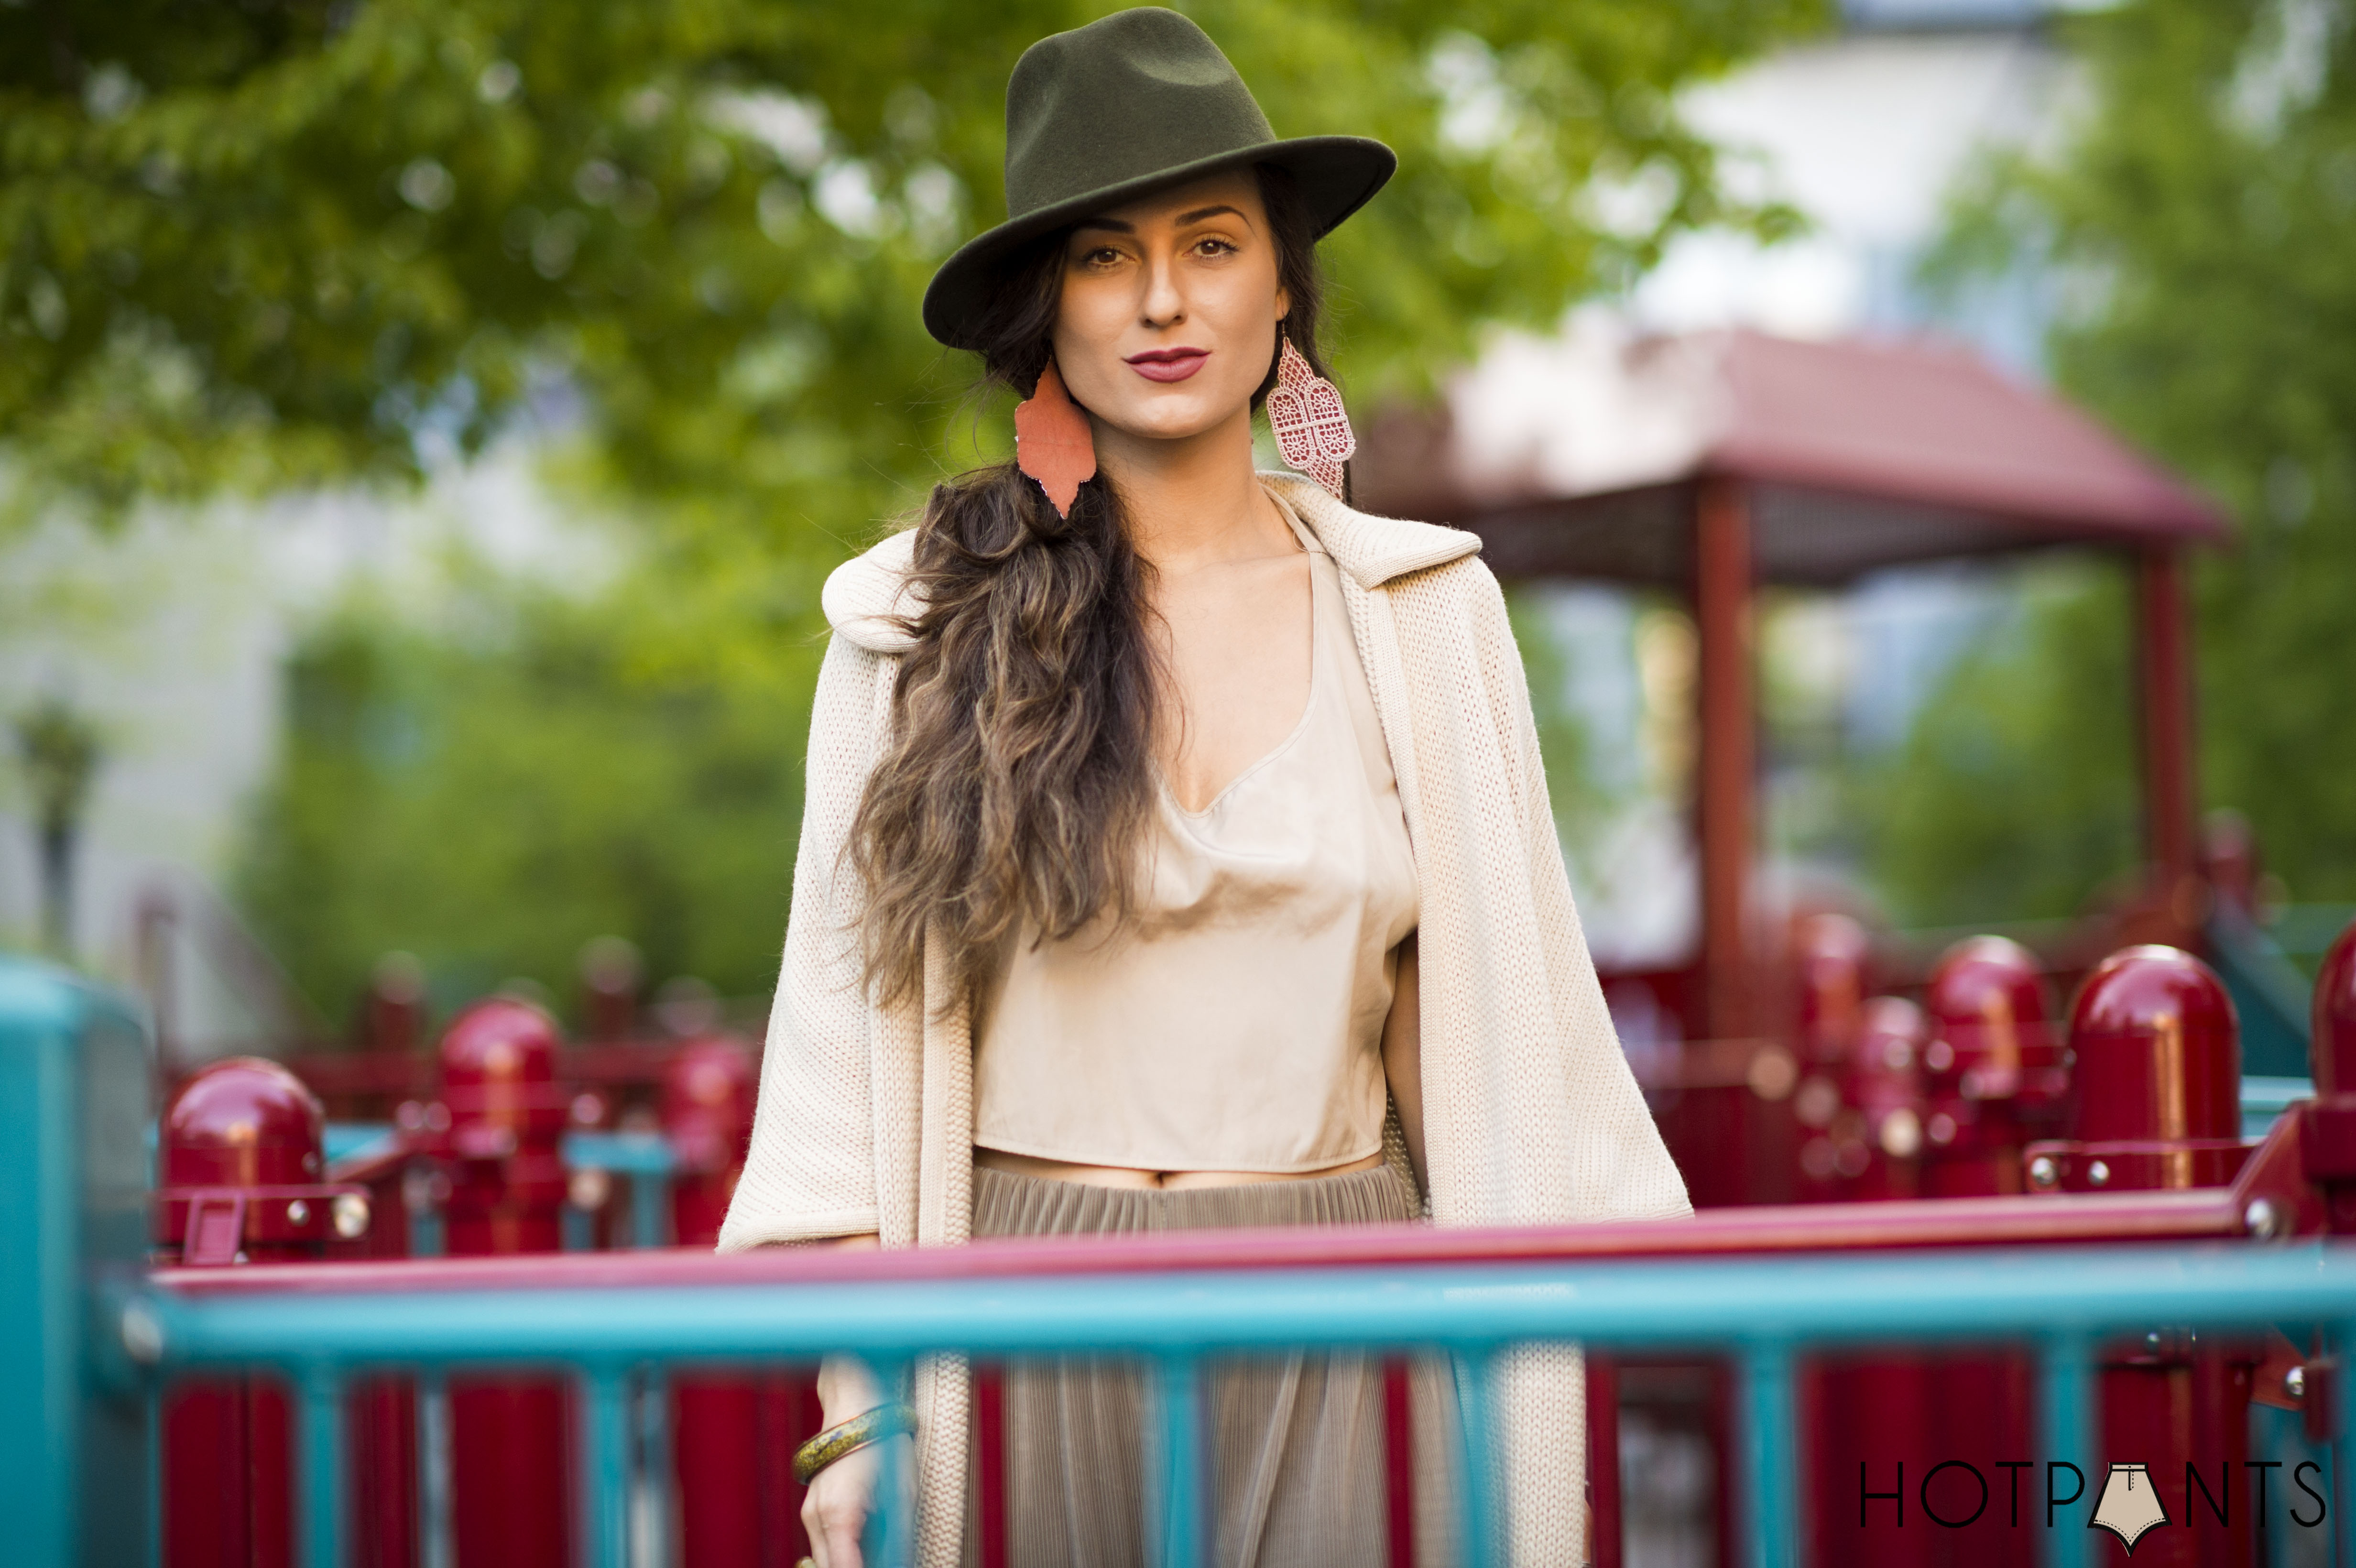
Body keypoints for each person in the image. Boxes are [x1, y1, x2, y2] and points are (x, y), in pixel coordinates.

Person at [717, 10, 1690, 1567]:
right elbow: (838, 1060)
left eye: (1214, 242)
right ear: (1047, 311)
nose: (1164, 300)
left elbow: (1494, 1048)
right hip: (1011, 1321)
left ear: (1285, 284)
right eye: (1105, 256)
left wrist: (1522, 1413)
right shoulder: (908, 627)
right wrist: (863, 1418)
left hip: (1353, 1307)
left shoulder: (1424, 615)